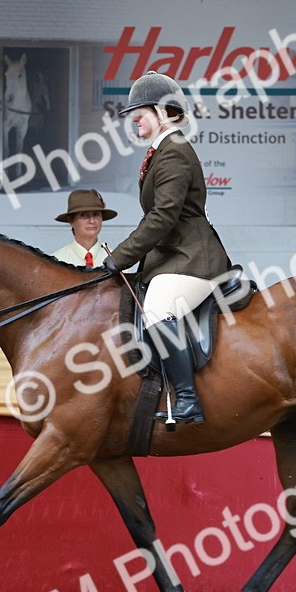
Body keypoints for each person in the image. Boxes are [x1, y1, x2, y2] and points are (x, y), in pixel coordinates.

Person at [103, 71, 232, 424]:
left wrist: (119, 256)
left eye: (139, 115)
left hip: (193, 258)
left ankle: (188, 399)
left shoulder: (174, 153)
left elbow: (163, 218)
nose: (134, 122)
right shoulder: (162, 152)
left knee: (158, 310)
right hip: (172, 256)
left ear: (161, 114)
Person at [50, 189, 117, 267]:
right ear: (71, 220)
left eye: (96, 214)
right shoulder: (57, 261)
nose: (92, 221)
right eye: (84, 215)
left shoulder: (116, 260)